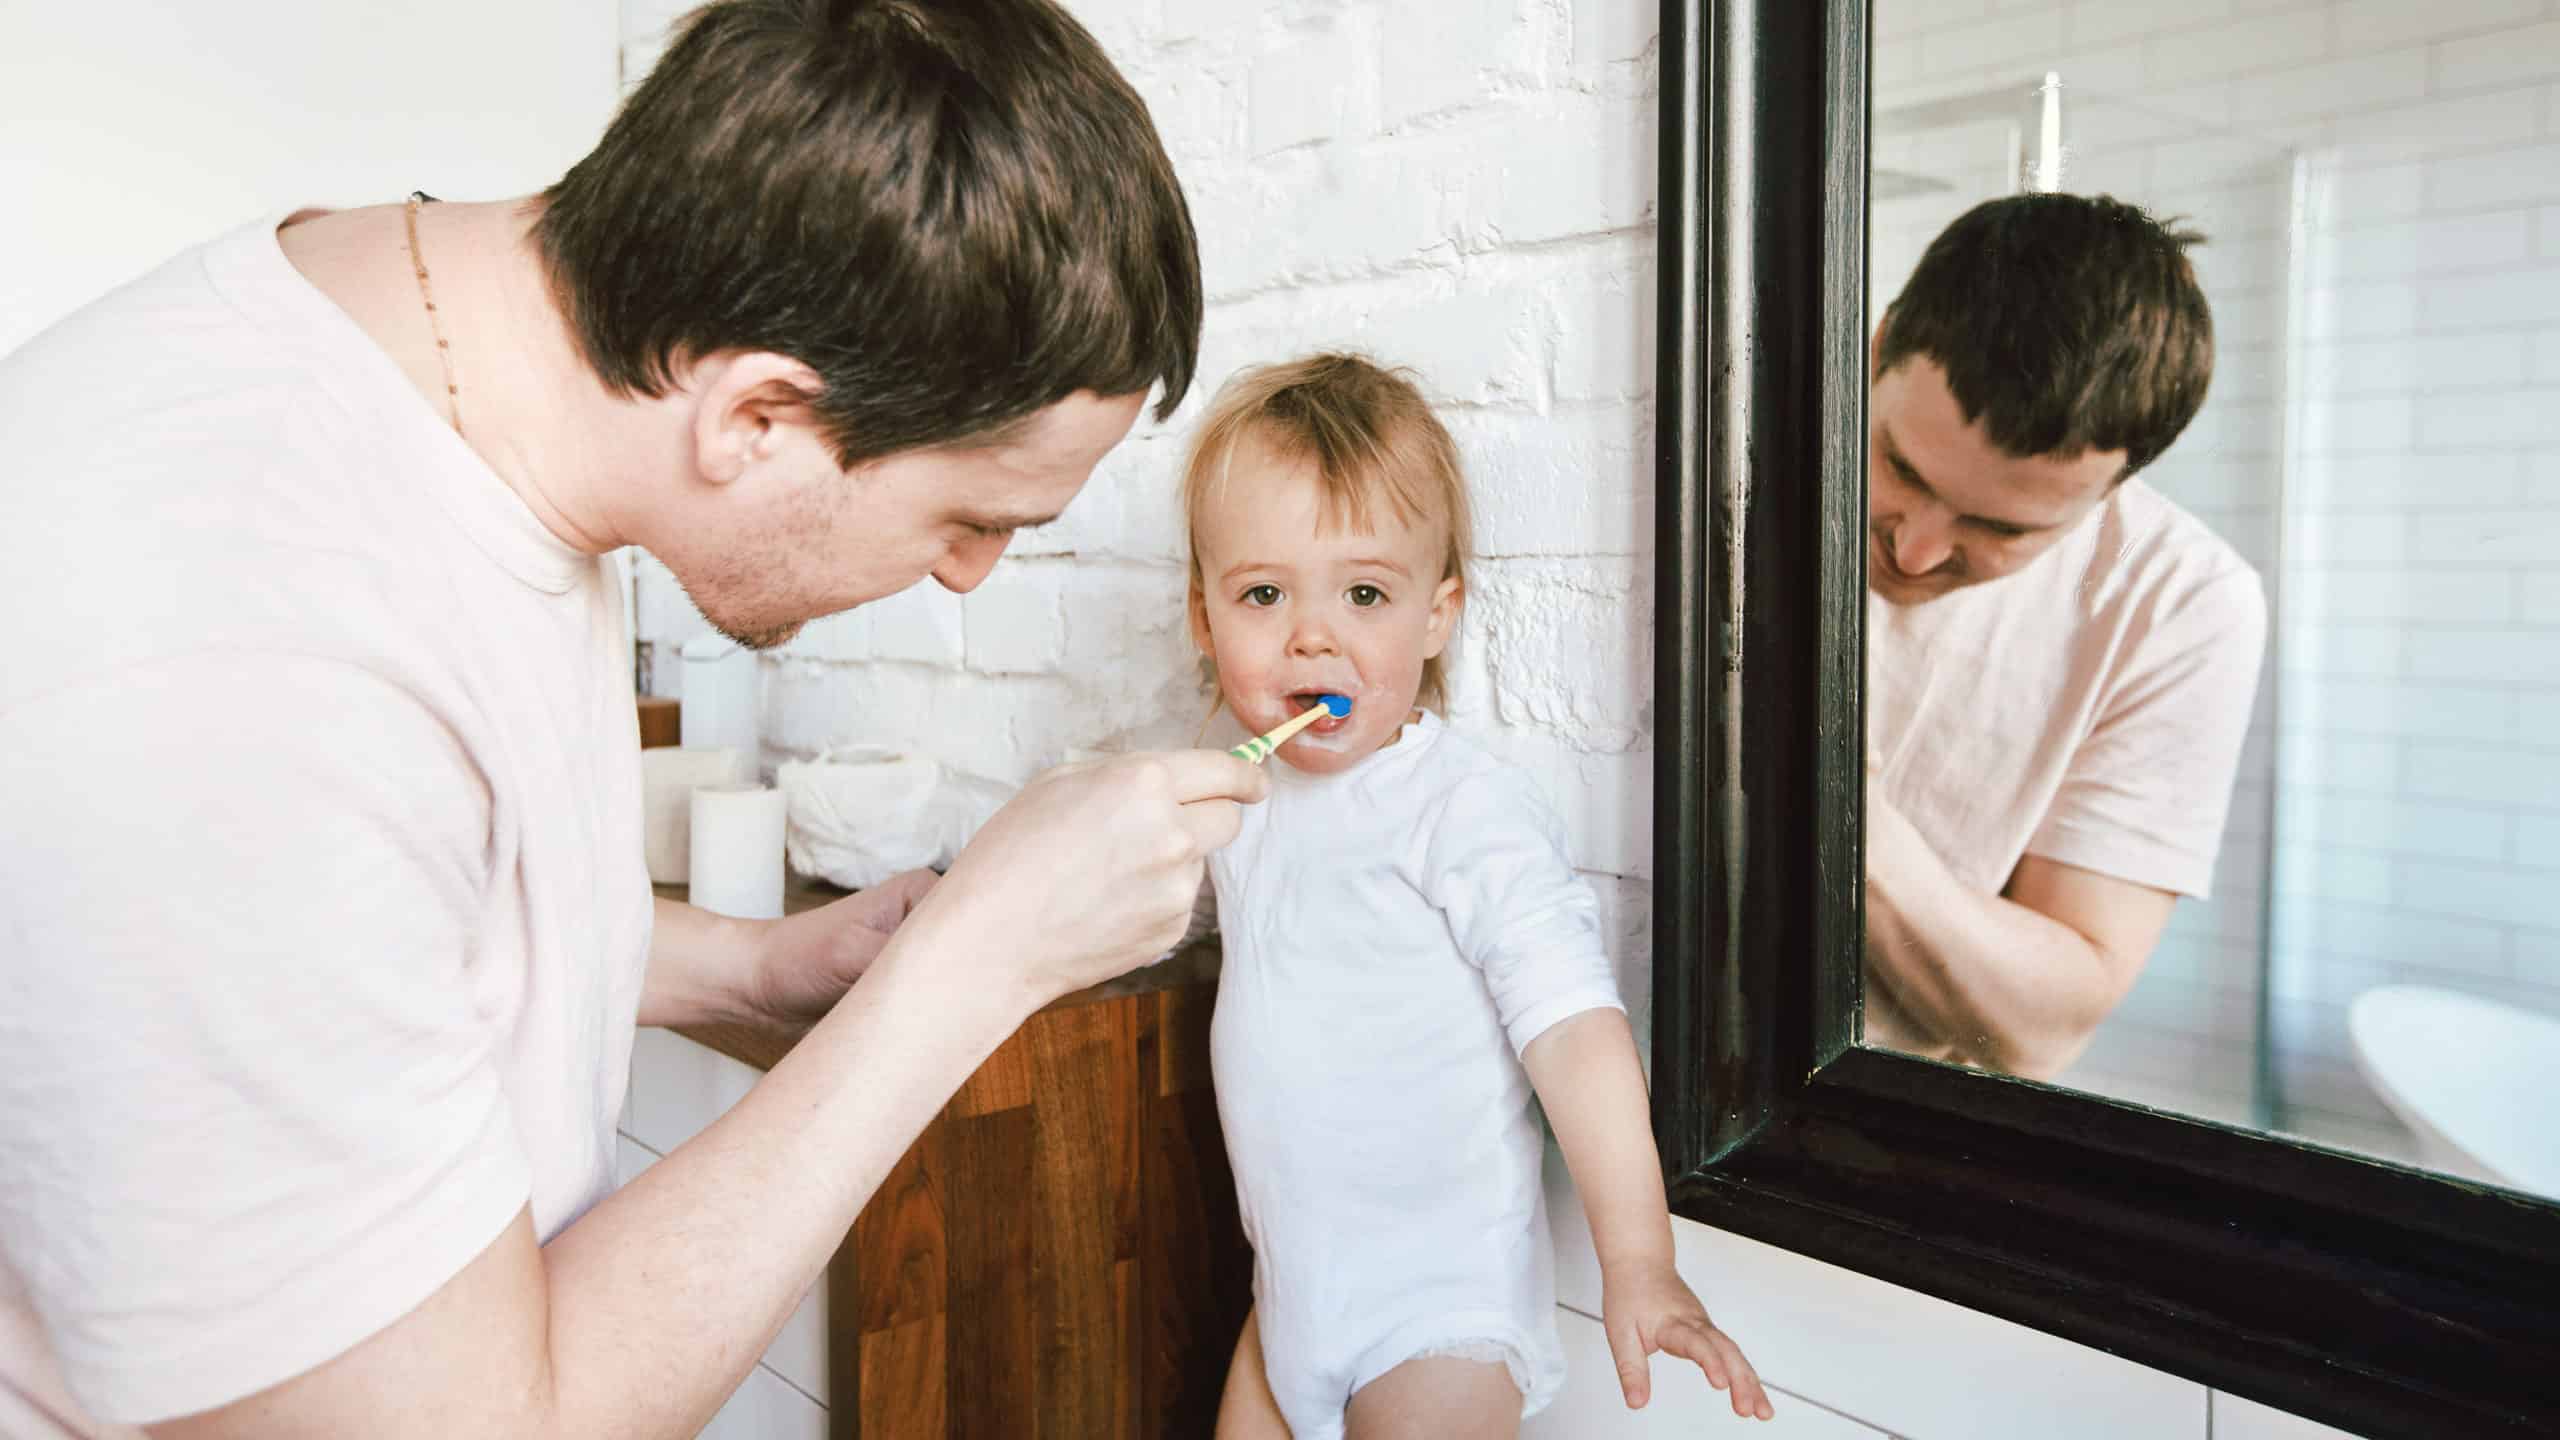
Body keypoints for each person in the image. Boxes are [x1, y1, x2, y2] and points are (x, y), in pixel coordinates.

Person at [0, 3, 1269, 1436]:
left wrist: (765, 966)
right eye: (972, 516)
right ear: (756, 421)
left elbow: (393, 932)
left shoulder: (455, 381)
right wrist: (974, 969)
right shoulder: (245, 662)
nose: (976, 570)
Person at [1181, 355, 1774, 1439]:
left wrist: (1638, 1258)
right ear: (1203, 616)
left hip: (1435, 1312)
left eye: (1363, 593)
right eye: (1264, 594)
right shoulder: (1240, 789)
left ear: (1437, 613)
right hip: (1288, 1305)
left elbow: (1576, 1036)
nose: (1311, 633)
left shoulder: (1459, 811)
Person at [1860, 194, 2269, 1081]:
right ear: (1881, 338)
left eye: (1999, 528)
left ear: (2114, 489)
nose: (1916, 548)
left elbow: (2043, 1030)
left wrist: (1843, 823)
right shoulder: (1724, 434)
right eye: (1898, 466)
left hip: (1865, 1142)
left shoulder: (2181, 601)